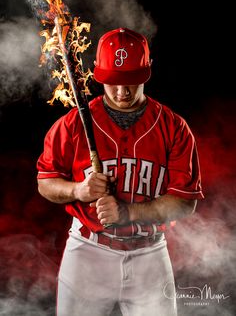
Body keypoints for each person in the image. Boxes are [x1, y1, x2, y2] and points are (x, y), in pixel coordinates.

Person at [36, 27, 204, 316]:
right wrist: (77, 190)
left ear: (147, 71)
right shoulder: (73, 123)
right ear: (98, 74)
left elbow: (185, 202)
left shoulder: (174, 127)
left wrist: (129, 213)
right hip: (88, 251)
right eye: (113, 82)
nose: (122, 91)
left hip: (149, 254)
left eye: (131, 81)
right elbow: (45, 182)